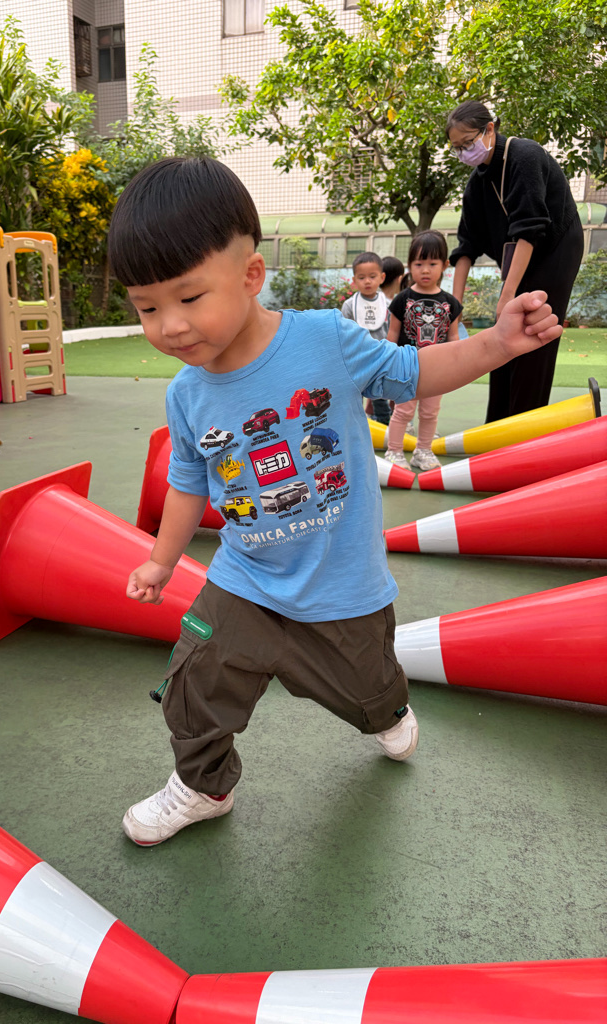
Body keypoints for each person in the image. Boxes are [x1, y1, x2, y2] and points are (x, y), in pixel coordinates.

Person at [109, 156, 561, 847]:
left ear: (250, 275)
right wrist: (161, 561)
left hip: (341, 584)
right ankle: (203, 785)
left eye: (189, 298)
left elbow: (413, 370)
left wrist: (498, 345)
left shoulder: (324, 339)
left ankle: (387, 709)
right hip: (244, 578)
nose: (169, 326)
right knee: (195, 680)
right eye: (147, 308)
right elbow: (189, 483)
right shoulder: (187, 393)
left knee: (366, 691)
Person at [446, 100, 584, 422]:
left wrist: (507, 295)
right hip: (519, 256)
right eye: (457, 148)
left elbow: (530, 229)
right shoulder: (477, 183)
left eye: (468, 143)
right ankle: (497, 424)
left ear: (489, 129)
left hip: (555, 247)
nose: (464, 152)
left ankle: (524, 427)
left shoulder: (524, 155)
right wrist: (454, 306)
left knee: (533, 332)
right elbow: (466, 247)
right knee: (503, 337)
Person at [385, 231, 462, 472]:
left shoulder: (451, 303)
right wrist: (388, 362)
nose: (425, 270)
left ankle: (423, 451)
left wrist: (455, 365)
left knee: (430, 413)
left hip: (436, 369)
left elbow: (453, 338)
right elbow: (392, 334)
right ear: (410, 266)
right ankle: (394, 451)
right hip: (407, 367)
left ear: (445, 265)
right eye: (419, 264)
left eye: (432, 264)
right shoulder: (402, 299)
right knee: (403, 411)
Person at [341, 251, 391, 424]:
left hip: (381, 358)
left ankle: (384, 424)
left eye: (372, 276)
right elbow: (344, 333)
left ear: (382, 277)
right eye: (361, 277)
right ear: (354, 280)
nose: (367, 281)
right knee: (355, 394)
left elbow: (392, 331)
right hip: (357, 359)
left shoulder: (388, 305)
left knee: (380, 394)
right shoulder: (349, 305)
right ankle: (355, 425)